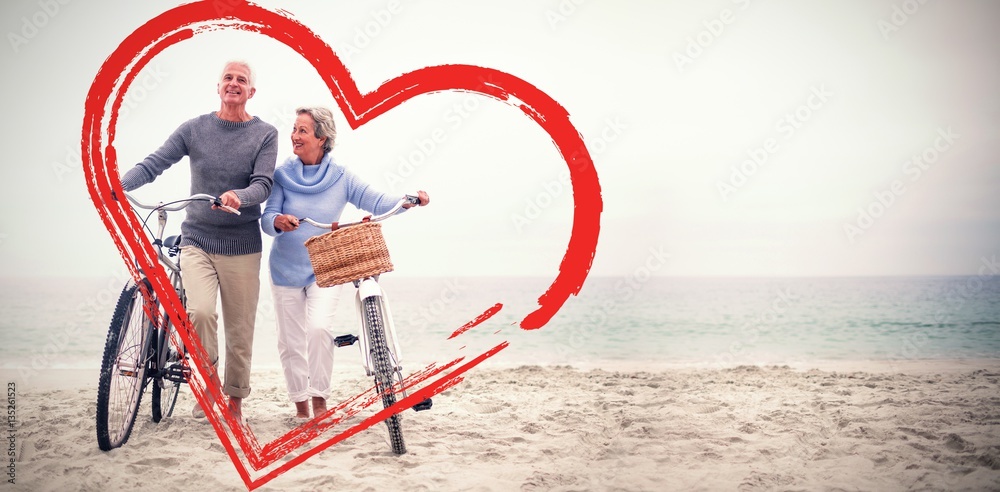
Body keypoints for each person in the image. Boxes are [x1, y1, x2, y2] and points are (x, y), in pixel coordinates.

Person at [119, 60, 279, 419]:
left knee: (239, 328)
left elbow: (263, 184)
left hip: (242, 244)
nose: (234, 84)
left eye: (242, 80)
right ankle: (208, 384)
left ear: (251, 91)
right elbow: (154, 162)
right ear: (218, 86)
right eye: (228, 78)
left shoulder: (264, 134)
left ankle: (234, 400)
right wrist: (119, 185)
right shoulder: (194, 129)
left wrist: (240, 196)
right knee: (201, 312)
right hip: (198, 239)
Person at [262, 106, 429, 419]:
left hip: (324, 270)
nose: (294, 136)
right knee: (290, 342)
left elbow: (375, 201)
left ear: (322, 138)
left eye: (302, 130)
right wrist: (279, 221)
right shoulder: (282, 175)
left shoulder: (341, 176)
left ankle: (320, 401)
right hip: (284, 269)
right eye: (294, 129)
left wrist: (407, 200)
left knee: (319, 329)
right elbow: (267, 216)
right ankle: (300, 406)